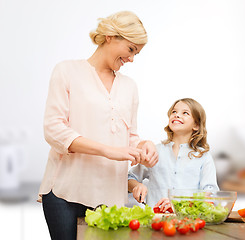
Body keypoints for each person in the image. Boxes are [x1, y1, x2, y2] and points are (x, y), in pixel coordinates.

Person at [38, 11, 158, 240]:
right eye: (131, 49)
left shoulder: (130, 86)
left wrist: (144, 145)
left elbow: (129, 136)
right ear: (111, 36)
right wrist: (108, 151)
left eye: (137, 53)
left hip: (110, 196)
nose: (132, 59)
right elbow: (54, 130)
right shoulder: (67, 71)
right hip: (66, 190)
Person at [128, 98, 219, 212]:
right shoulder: (155, 151)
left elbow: (211, 194)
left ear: (196, 125)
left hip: (188, 222)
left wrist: (182, 204)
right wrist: (136, 186)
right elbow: (130, 178)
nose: (177, 115)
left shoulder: (203, 156)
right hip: (155, 220)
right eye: (174, 112)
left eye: (185, 113)